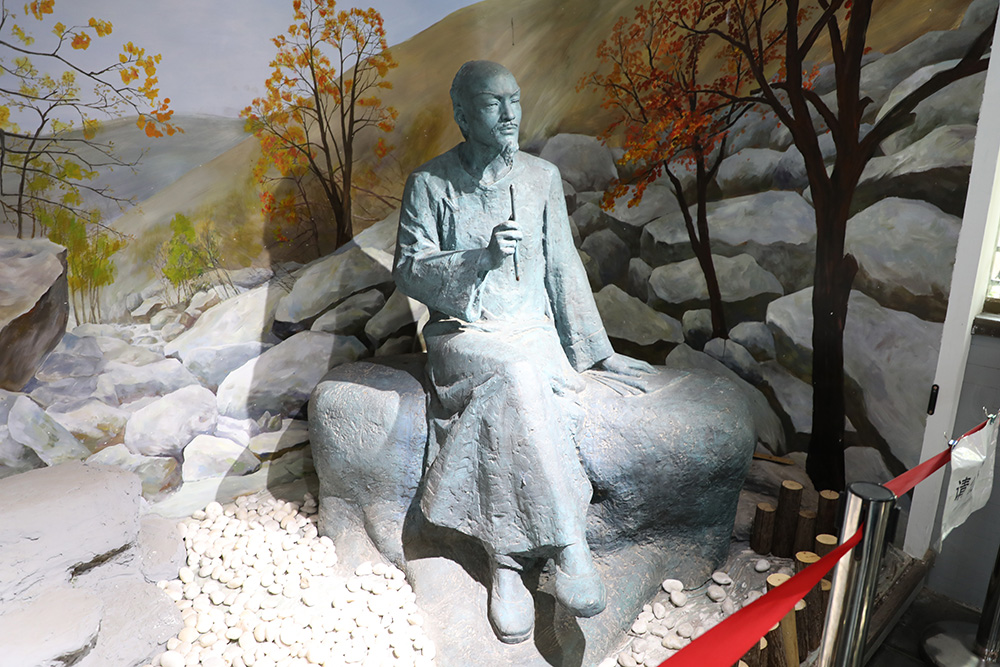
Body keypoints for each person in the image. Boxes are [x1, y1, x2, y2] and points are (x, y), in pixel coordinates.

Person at [393, 60, 652, 644]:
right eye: (493, 103)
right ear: (463, 115)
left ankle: (506, 563)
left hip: (532, 332)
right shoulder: (429, 184)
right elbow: (408, 269)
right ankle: (569, 545)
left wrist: (597, 352)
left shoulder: (541, 178)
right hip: (464, 335)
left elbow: (563, 265)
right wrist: (478, 259)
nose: (510, 113)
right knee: (514, 376)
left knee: (522, 380)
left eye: (514, 100)